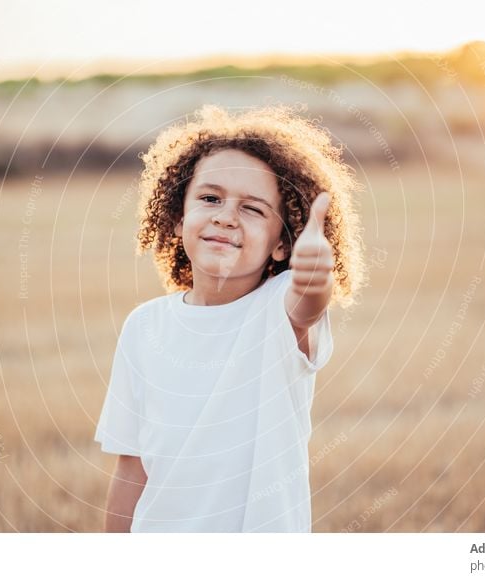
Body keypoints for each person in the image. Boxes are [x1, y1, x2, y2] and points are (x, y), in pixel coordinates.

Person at [94, 104, 365, 532]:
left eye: (253, 209)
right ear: (180, 216)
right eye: (210, 198)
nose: (225, 216)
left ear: (281, 244)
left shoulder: (278, 311)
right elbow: (132, 469)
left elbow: (308, 300)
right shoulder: (144, 327)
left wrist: (316, 269)